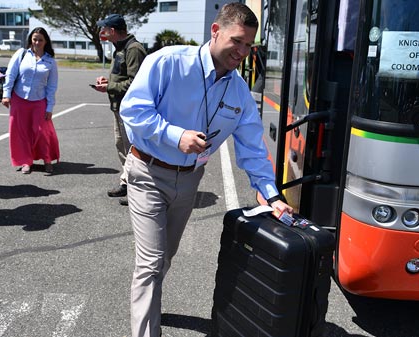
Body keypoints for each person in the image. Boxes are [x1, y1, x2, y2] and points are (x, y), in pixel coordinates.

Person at [119, 3, 293, 336]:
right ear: (216, 31)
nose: (242, 52)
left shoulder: (239, 90)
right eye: (236, 41)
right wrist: (175, 135)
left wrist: (270, 194)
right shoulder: (168, 62)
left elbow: (253, 148)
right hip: (147, 172)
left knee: (164, 258)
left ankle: (148, 302)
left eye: (248, 46)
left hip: (189, 182)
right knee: (152, 262)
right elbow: (133, 111)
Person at [93, 14, 146, 206]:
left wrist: (109, 87)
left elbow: (136, 83)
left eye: (104, 29)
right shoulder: (121, 48)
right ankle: (127, 183)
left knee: (133, 150)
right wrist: (108, 82)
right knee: (122, 147)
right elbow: (122, 77)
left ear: (112, 31)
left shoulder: (134, 49)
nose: (101, 32)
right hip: (119, 108)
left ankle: (137, 190)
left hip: (130, 110)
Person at [1, 27, 59, 175]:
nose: (37, 42)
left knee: (42, 132)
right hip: (19, 99)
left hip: (39, 100)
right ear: (30, 40)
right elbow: (10, 74)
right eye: (34, 39)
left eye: (40, 39)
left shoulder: (50, 61)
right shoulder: (21, 54)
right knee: (21, 132)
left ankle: (47, 159)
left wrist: (49, 107)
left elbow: (52, 86)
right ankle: (26, 161)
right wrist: (6, 94)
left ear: (46, 41)